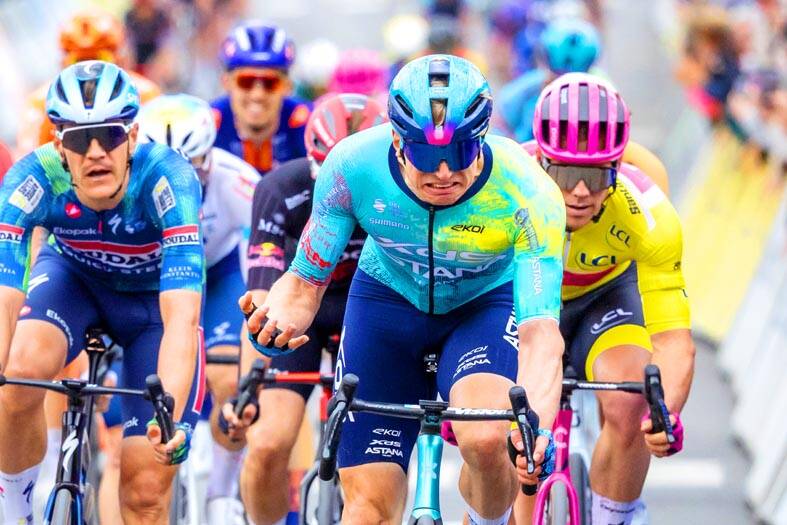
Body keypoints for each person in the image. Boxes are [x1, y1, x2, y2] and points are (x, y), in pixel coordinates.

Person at [238, 54, 567, 525]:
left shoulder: (527, 190)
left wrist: (537, 426)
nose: (444, 173)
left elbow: (540, 334)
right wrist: (273, 324)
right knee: (367, 510)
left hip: (482, 306)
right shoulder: (352, 165)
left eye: (461, 154)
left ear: (482, 138)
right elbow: (305, 282)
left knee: (486, 439)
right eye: (426, 157)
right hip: (387, 301)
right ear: (396, 140)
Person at [0, 60, 204, 524]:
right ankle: (13, 512)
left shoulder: (168, 178)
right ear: (60, 146)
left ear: (132, 137)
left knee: (145, 491)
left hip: (151, 305)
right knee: (18, 374)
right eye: (79, 139)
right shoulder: (33, 179)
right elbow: (6, 292)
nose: (95, 152)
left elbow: (181, 317)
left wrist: (167, 415)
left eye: (109, 136)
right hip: (73, 282)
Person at [515, 73, 695, 525]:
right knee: (507, 420)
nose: (580, 191)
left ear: (616, 168)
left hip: (605, 297)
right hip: (525, 299)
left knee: (632, 399)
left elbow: (673, 341)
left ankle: (613, 516)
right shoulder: (507, 187)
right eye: (566, 174)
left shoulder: (649, 211)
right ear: (541, 162)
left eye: (596, 176)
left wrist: (666, 413)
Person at [220, 93, 386, 525]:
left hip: (367, 307)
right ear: (312, 163)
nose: (340, 188)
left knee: (375, 462)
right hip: (299, 309)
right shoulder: (279, 188)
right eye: (327, 171)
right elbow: (260, 298)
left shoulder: (397, 195)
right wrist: (248, 388)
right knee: (268, 444)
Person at [136, 93, 261, 523]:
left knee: (226, 375)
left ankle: (221, 496)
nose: (181, 180)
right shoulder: (127, 184)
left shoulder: (237, 181)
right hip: (156, 279)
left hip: (220, 274)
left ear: (210, 154)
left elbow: (263, 261)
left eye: (194, 166)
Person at [16, 11, 160, 156]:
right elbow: (26, 157)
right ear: (63, 64)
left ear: (119, 59)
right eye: (79, 61)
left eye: (100, 59)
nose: (88, 70)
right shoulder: (42, 103)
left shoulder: (143, 95)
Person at [212, 21, 311, 175]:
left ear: (287, 86)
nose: (257, 95)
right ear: (226, 82)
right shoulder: (208, 125)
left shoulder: (308, 125)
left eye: (270, 83)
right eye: (246, 81)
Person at [495, 16, 602, 143]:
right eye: (558, 77)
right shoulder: (526, 90)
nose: (564, 85)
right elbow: (500, 126)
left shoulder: (602, 93)